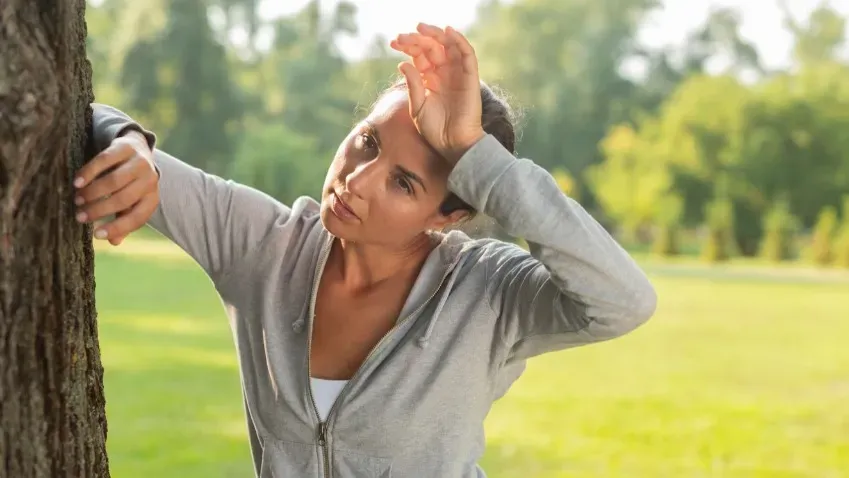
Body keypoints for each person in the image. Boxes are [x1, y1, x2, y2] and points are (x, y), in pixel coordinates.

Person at [75, 24, 656, 478]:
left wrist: (475, 155)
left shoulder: (491, 294)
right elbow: (85, 117)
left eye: (404, 182)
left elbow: (622, 300)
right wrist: (131, 146)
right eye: (367, 142)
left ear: (448, 215)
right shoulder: (265, 246)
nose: (359, 179)